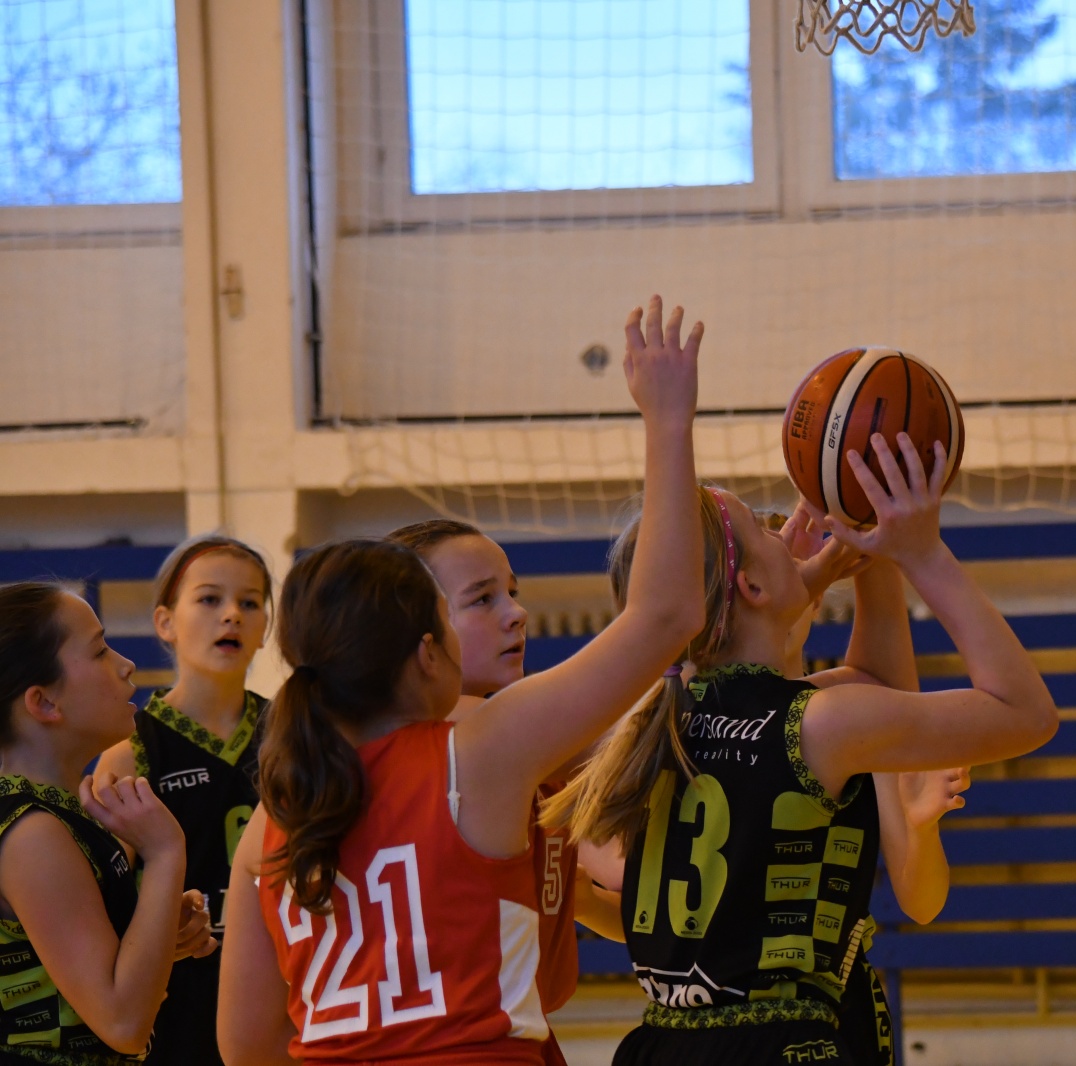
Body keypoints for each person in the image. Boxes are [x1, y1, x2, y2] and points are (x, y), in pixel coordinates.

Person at [216, 296, 706, 1066]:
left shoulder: (276, 813)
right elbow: (666, 613)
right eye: (472, 606)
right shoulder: (480, 748)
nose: (514, 615)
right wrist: (667, 421)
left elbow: (245, 1047)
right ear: (427, 653)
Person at [545, 432, 1057, 1065]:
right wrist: (920, 553)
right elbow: (1026, 713)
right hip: (778, 1046)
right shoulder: (819, 724)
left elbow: (873, 682)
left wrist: (861, 558)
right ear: (751, 586)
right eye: (766, 534)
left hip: (659, 1047)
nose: (789, 535)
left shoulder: (654, 725)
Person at [386, 517, 623, 1066]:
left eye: (512, 592)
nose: (516, 613)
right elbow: (642, 735)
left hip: (518, 1036)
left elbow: (612, 878)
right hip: (458, 1046)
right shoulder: (475, 734)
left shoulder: (530, 752)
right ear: (415, 630)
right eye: (482, 599)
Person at [765, 506, 969, 1066]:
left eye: (799, 568)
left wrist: (922, 828)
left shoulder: (854, 714)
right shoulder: (704, 717)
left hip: (839, 1004)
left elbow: (922, 904)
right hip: (741, 1009)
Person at [0, 582, 214, 1066]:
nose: (126, 664)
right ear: (44, 703)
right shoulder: (32, 831)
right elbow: (122, 1022)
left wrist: (155, 932)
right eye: (99, 651)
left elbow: (78, 978)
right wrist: (165, 854)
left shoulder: (55, 813)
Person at [95, 535, 273, 1066]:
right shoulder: (129, 752)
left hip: (281, 987)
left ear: (267, 626)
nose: (232, 615)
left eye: (249, 602)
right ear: (165, 621)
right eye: (210, 598)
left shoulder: (295, 735)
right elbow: (103, 911)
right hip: (177, 1008)